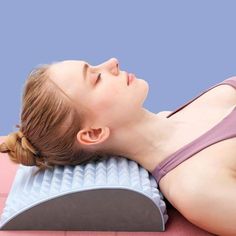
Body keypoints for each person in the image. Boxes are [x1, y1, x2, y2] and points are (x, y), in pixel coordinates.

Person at [0, 57, 236, 235]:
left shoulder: (193, 107)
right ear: (93, 134)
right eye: (96, 77)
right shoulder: (195, 187)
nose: (112, 62)